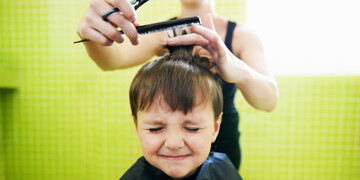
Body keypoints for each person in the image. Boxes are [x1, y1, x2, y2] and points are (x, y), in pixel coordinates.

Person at [82, 45, 276, 180]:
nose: (174, 143)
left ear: (215, 129)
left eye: (192, 128)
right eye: (156, 129)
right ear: (137, 126)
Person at [76, 0, 279, 169]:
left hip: (223, 147)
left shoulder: (242, 36)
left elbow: (269, 101)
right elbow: (113, 60)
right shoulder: (161, 33)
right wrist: (93, 34)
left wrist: (238, 68)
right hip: (174, 155)